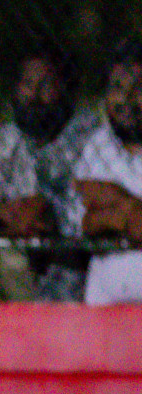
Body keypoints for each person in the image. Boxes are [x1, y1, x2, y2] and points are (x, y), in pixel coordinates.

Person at [0, 46, 98, 301]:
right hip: (21, 267)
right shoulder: (8, 139)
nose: (34, 96)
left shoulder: (89, 135)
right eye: (27, 84)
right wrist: (5, 214)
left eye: (46, 85)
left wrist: (20, 220)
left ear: (67, 89)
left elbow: (57, 222)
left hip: (79, 269)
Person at [74, 41, 142, 304]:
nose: (126, 98)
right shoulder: (98, 144)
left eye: (138, 87)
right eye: (117, 88)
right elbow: (87, 221)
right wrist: (130, 215)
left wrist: (112, 209)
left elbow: (98, 212)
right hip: (106, 301)